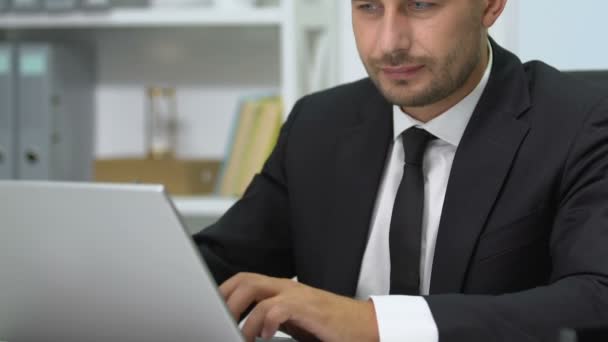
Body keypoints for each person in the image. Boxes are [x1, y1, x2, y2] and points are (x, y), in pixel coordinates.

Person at [194, 0, 608, 341]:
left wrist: (373, 323)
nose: (389, 43)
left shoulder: (581, 124)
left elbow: (596, 299)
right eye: (369, 7)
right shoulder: (319, 124)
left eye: (421, 5)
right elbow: (218, 265)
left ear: (491, 6)